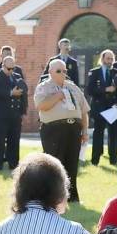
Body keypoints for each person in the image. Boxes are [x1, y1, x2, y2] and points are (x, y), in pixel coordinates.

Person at [35, 59, 89, 202]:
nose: (63, 73)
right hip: (53, 129)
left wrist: (85, 131)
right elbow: (41, 105)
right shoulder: (44, 87)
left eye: (64, 71)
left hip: (73, 129)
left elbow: (84, 111)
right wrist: (57, 96)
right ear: (50, 72)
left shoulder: (73, 87)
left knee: (72, 163)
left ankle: (72, 196)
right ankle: (53, 197)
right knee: (54, 164)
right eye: (59, 71)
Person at [0, 56, 27, 171]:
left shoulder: (17, 77)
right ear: (3, 66)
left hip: (15, 114)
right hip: (2, 114)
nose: (11, 71)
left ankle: (13, 163)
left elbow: (24, 94)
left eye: (12, 68)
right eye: (8, 68)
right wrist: (10, 93)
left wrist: (23, 111)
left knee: (14, 140)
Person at [86, 49, 117, 166]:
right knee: (98, 134)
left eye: (112, 59)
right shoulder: (94, 72)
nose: (110, 61)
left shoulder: (116, 72)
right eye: (108, 58)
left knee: (114, 134)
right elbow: (89, 90)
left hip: (112, 107)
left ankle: (113, 160)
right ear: (102, 59)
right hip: (98, 107)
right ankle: (95, 160)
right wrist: (105, 89)